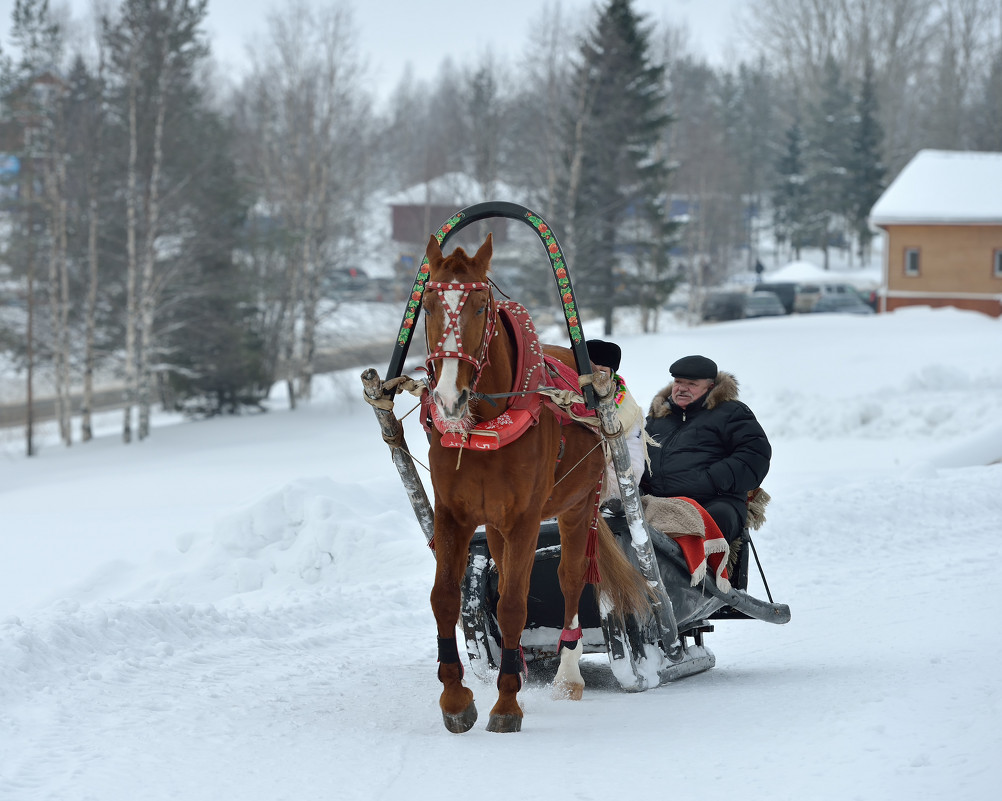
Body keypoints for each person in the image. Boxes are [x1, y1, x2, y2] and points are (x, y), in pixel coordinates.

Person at [640, 354, 771, 545]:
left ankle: (699, 574)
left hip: (712, 501)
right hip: (659, 501)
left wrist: (709, 479)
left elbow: (754, 456)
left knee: (714, 520)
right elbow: (639, 454)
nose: (682, 388)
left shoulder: (731, 412)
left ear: (710, 387)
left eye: (692, 383)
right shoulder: (658, 417)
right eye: (678, 382)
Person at [585, 339, 650, 504]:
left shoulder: (627, 410)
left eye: (602, 371)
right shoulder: (560, 399)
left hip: (600, 493)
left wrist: (599, 490)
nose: (596, 376)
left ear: (612, 374)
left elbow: (631, 462)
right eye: (590, 369)